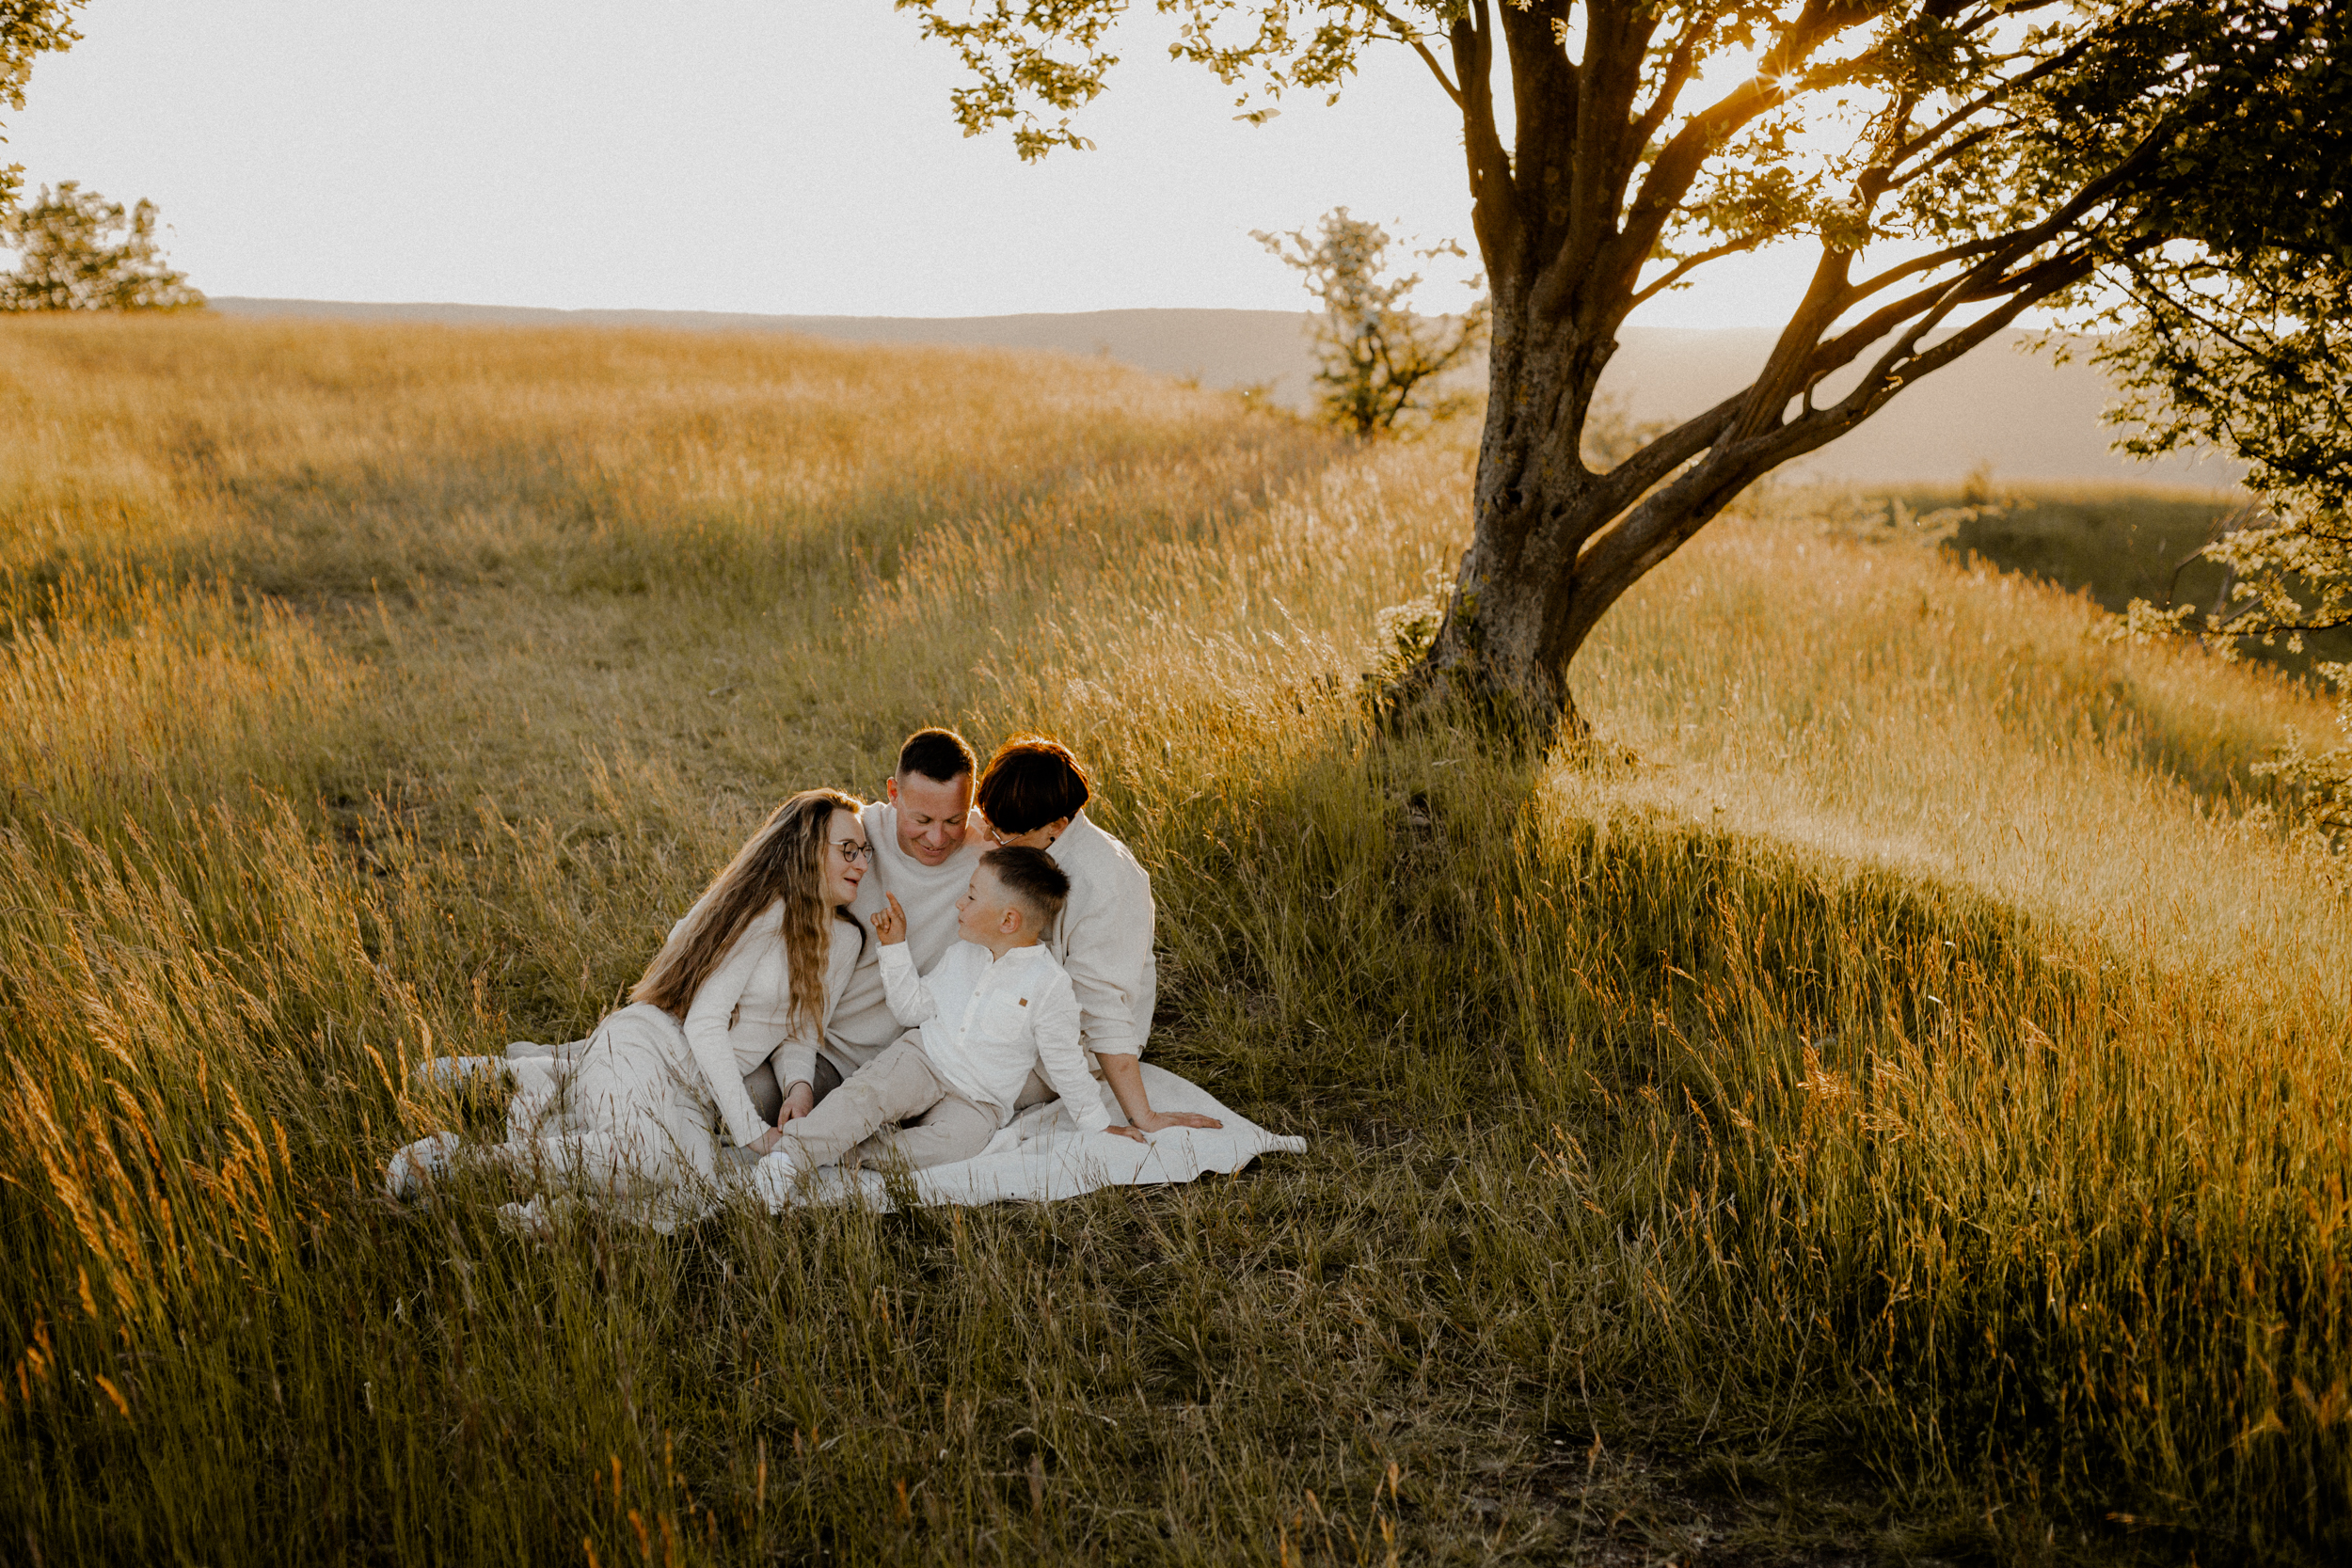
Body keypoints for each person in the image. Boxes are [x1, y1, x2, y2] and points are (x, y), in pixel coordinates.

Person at [386, 788, 870, 1215]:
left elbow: (801, 1030)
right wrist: (751, 1131)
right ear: (807, 851)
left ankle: (535, 1099)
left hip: (691, 1094)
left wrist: (799, 1087)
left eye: (865, 851)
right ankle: (463, 1165)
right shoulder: (768, 912)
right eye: (847, 850)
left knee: (689, 1184)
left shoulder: (846, 941)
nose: (862, 864)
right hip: (648, 1046)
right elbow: (704, 1023)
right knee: (646, 1157)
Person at [755, 847, 1128, 1199]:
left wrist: (1098, 1123)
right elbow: (912, 1010)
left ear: (1008, 920)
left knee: (957, 1146)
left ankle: (848, 1148)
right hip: (924, 1059)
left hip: (981, 1100)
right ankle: (788, 1158)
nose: (959, 903)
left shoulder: (1050, 987)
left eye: (971, 896)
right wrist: (895, 948)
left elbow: (1066, 1064)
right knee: (869, 1094)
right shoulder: (960, 954)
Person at [975, 735, 1222, 1136]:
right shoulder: (1027, 837)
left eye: (1002, 833)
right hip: (1010, 1012)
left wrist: (1143, 1115)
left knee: (950, 1082)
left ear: (1056, 827)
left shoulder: (1105, 882)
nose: (988, 838)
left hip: (1064, 1050)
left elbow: (1101, 1010)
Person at [747, 727, 989, 1121]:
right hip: (806, 1043)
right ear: (893, 794)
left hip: (896, 1069)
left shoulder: (989, 858)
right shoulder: (853, 835)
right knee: (737, 1098)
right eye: (922, 818)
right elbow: (750, 898)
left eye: (953, 820)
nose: (936, 837)